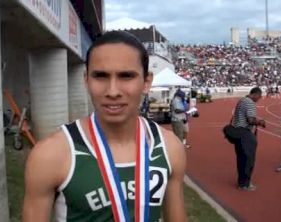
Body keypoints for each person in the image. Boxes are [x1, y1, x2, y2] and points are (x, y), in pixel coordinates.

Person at [22, 31, 187, 221]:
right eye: (101, 76)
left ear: (146, 82)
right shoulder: (51, 154)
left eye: (126, 76)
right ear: (86, 80)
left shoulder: (170, 148)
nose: (113, 91)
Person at [231, 87, 266, 191]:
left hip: (237, 132)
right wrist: (260, 122)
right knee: (248, 159)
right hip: (245, 134)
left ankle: (241, 182)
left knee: (241, 159)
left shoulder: (242, 100)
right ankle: (245, 183)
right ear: (255, 94)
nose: (258, 99)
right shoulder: (250, 103)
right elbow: (250, 120)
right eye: (259, 97)